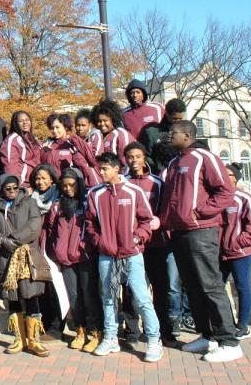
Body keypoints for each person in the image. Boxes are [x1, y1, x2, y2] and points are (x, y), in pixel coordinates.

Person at [160, 120, 241, 362]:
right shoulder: (174, 163)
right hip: (179, 233)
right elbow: (170, 199)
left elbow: (225, 191)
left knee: (210, 285)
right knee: (192, 286)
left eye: (173, 133)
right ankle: (208, 335)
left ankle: (229, 340)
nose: (169, 136)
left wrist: (200, 212)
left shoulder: (204, 158)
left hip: (201, 231)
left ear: (187, 135)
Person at [85, 153, 161, 363]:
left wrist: (137, 239)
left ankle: (154, 339)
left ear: (117, 168)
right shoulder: (95, 194)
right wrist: (101, 242)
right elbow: (90, 223)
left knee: (141, 297)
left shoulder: (134, 191)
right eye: (99, 169)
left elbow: (147, 220)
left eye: (104, 169)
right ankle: (110, 337)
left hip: (132, 255)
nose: (100, 173)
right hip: (107, 256)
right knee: (108, 298)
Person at [0, 174, 48, 357]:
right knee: (12, 297)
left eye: (14, 187)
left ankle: (34, 340)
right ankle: (19, 339)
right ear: (1, 190)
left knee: (31, 296)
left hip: (26, 255)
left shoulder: (29, 203)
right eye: (8, 189)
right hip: (6, 257)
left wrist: (14, 240)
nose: (12, 191)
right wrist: (2, 240)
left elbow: (34, 225)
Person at [124, 142, 180, 344]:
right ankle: (131, 332)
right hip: (132, 245)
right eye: (130, 157)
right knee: (131, 289)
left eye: (137, 156)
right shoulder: (123, 182)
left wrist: (160, 221)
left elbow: (166, 208)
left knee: (161, 288)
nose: (134, 160)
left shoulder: (156, 182)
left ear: (144, 157)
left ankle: (164, 330)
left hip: (156, 244)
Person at [42, 168, 103, 353]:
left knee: (89, 295)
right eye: (64, 185)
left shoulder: (86, 203)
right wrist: (55, 252)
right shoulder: (57, 206)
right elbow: (51, 231)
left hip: (85, 257)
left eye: (72, 185)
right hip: (65, 260)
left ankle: (96, 333)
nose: (68, 189)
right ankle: (80, 331)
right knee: (74, 296)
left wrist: (89, 247)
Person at [219, 163, 251, 340]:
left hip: (240, 252)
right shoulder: (216, 198)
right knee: (217, 288)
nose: (224, 177)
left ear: (235, 178)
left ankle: (243, 325)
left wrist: (236, 244)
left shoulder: (244, 198)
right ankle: (226, 323)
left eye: (228, 174)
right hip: (219, 252)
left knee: (242, 286)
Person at [27, 164, 62, 340]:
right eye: (38, 178)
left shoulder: (58, 196)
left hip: (53, 246)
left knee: (56, 287)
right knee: (42, 286)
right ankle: (45, 324)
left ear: (52, 179)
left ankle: (57, 327)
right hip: (36, 245)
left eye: (44, 178)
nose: (40, 182)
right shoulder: (31, 198)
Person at [40, 113, 100, 187]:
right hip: (51, 187)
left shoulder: (75, 142)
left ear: (65, 127)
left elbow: (90, 163)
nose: (54, 130)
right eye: (52, 128)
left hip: (70, 187)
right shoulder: (47, 145)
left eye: (57, 127)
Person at [138, 98, 186, 173]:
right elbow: (145, 155)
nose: (178, 122)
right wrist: (158, 169)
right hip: (159, 175)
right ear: (167, 114)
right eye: (175, 118)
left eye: (181, 119)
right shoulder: (152, 133)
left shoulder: (186, 132)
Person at [0, 110, 42, 188]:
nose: (25, 123)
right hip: (23, 186)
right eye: (21, 121)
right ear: (15, 124)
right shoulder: (12, 140)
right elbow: (10, 165)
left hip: (37, 183)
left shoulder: (33, 139)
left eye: (27, 120)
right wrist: (17, 186)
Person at [92, 99, 135, 167]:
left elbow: (125, 159)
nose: (102, 124)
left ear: (113, 120)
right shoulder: (99, 136)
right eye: (99, 121)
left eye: (105, 120)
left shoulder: (120, 134)